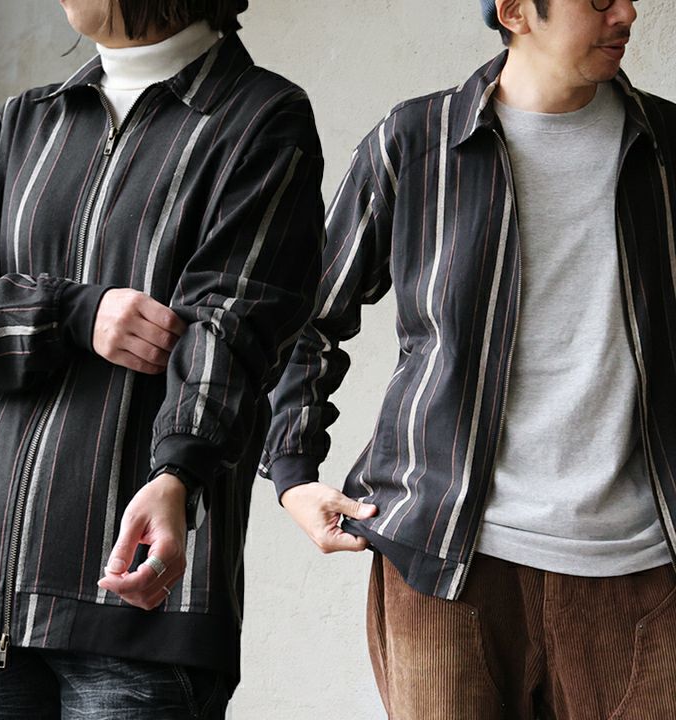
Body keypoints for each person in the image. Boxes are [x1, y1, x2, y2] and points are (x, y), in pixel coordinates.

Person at [261, 0, 676, 717]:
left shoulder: (668, 148)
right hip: (446, 562)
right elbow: (304, 316)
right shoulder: (418, 141)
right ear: (515, 11)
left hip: (638, 570)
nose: (627, 13)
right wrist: (292, 474)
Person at [0, 0, 324, 717]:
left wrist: (178, 472)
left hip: (144, 607)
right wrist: (71, 313)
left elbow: (235, 326)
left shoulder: (260, 119)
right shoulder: (27, 123)